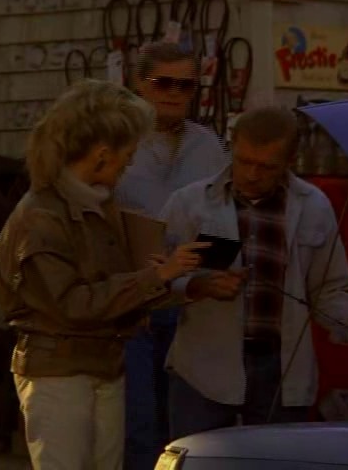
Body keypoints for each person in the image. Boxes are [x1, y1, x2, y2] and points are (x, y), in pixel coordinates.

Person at [158, 106, 348, 439]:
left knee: (276, 457)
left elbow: (329, 293)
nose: (252, 175)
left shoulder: (313, 207)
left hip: (281, 371)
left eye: (266, 167)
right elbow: (156, 282)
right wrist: (199, 286)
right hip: (203, 369)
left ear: (289, 161)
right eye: (244, 161)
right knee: (196, 457)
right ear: (233, 147)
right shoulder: (189, 204)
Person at [0, 79, 208, 470]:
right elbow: (74, 304)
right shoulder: (41, 218)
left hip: (103, 365)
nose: (129, 165)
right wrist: (156, 277)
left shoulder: (98, 208)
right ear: (102, 155)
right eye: (128, 155)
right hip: (58, 372)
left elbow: (118, 291)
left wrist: (185, 282)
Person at [115, 42, 229, 469]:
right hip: (134, 301)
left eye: (186, 85)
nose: (174, 93)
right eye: (164, 83)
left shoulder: (208, 146)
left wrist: (212, 276)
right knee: (138, 423)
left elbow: (224, 215)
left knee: (185, 427)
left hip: (187, 301)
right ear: (139, 85)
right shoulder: (117, 140)